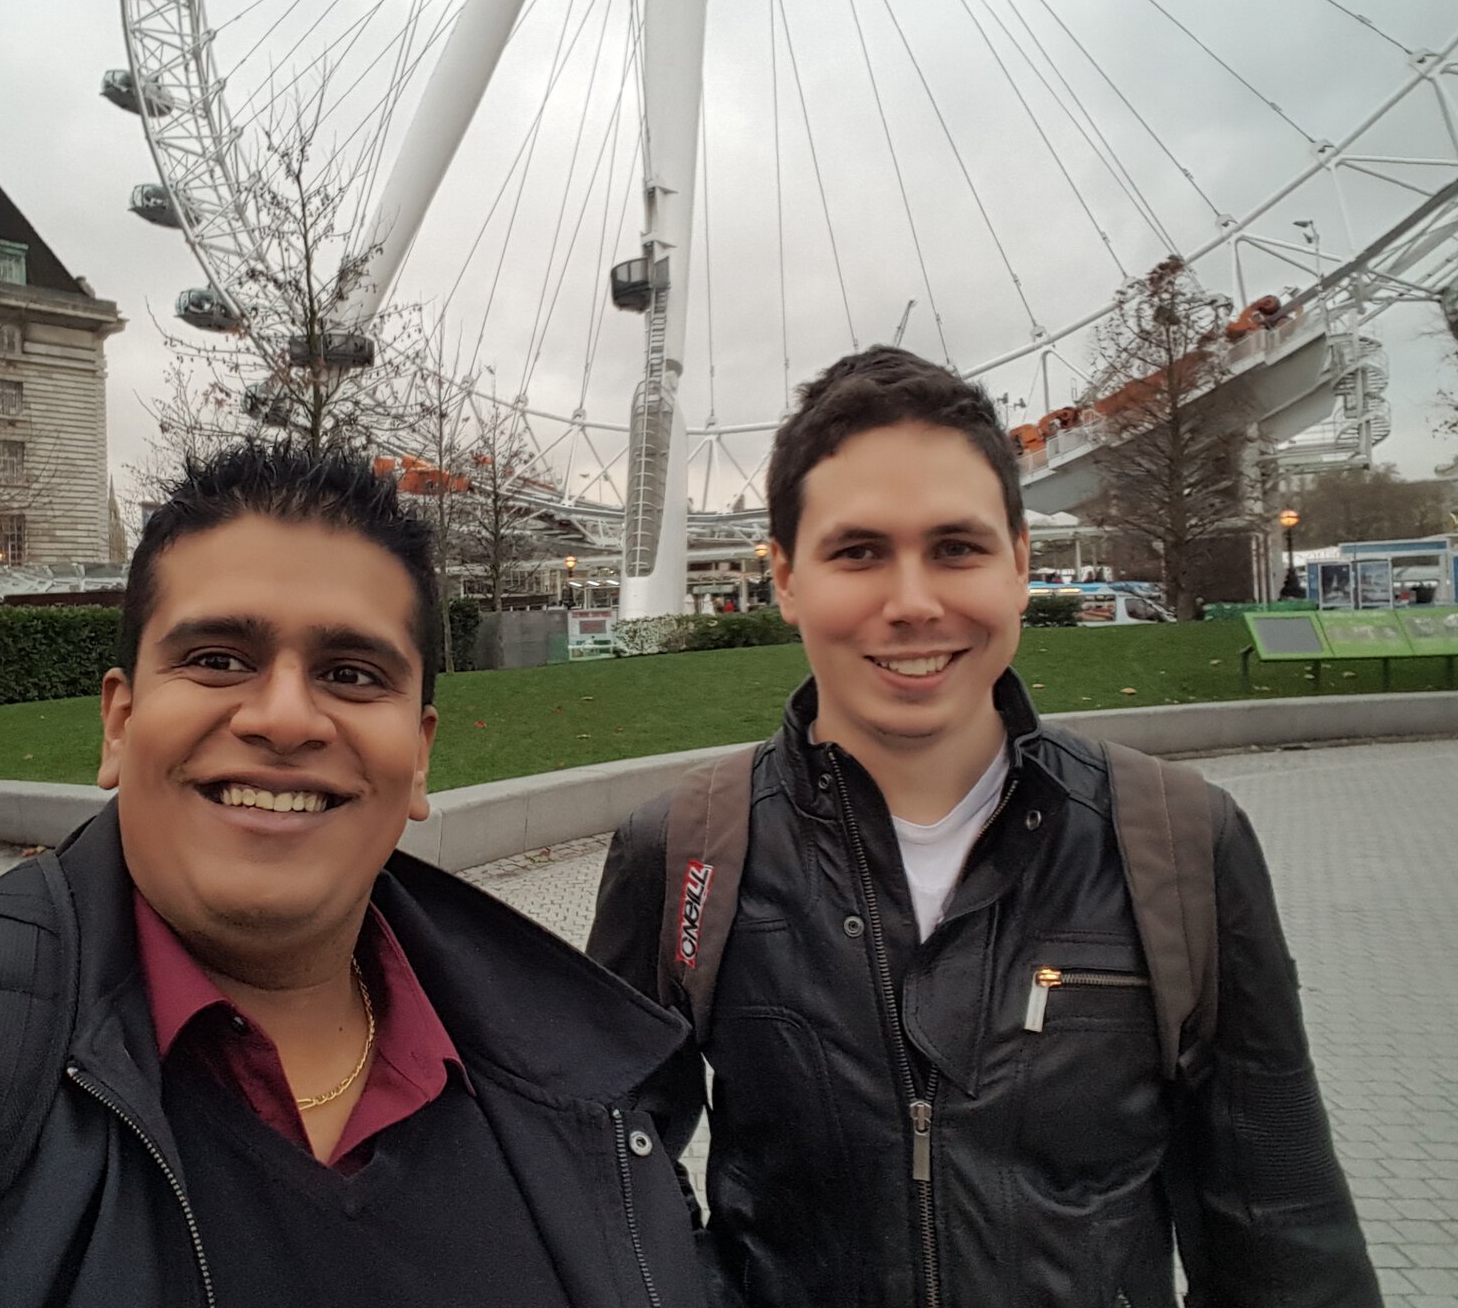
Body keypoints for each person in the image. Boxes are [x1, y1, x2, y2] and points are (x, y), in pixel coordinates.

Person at [0, 442, 706, 1308]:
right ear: (117, 721)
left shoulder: (593, 1091)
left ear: (421, 758)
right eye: (219, 657)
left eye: (353, 675)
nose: (285, 717)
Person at [587, 347, 1378, 1308]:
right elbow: (601, 1162)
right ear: (786, 578)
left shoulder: (1178, 844)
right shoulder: (684, 853)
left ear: (1019, 564)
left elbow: (1280, 1220)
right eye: (858, 552)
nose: (913, 603)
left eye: (956, 548)